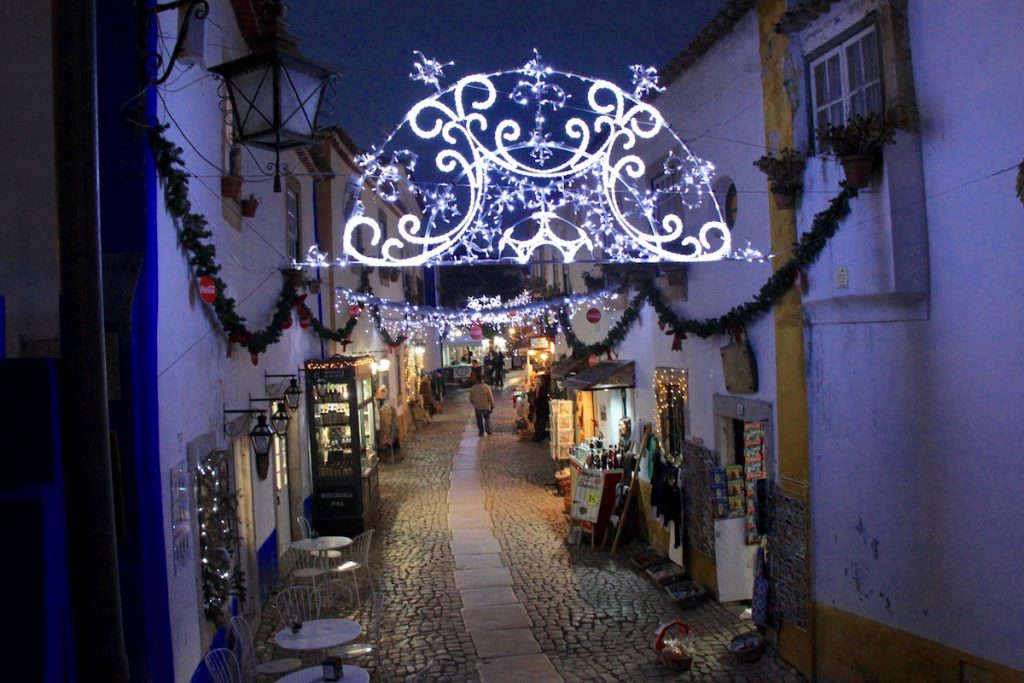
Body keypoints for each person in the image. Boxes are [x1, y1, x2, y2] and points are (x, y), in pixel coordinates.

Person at [531, 372, 551, 442]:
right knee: (537, 422)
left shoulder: (542, 389)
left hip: (541, 409)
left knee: (541, 422)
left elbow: (540, 399)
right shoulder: (537, 388)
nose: (535, 381)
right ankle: (538, 434)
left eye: (537, 380)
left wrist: (536, 402)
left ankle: (540, 436)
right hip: (538, 409)